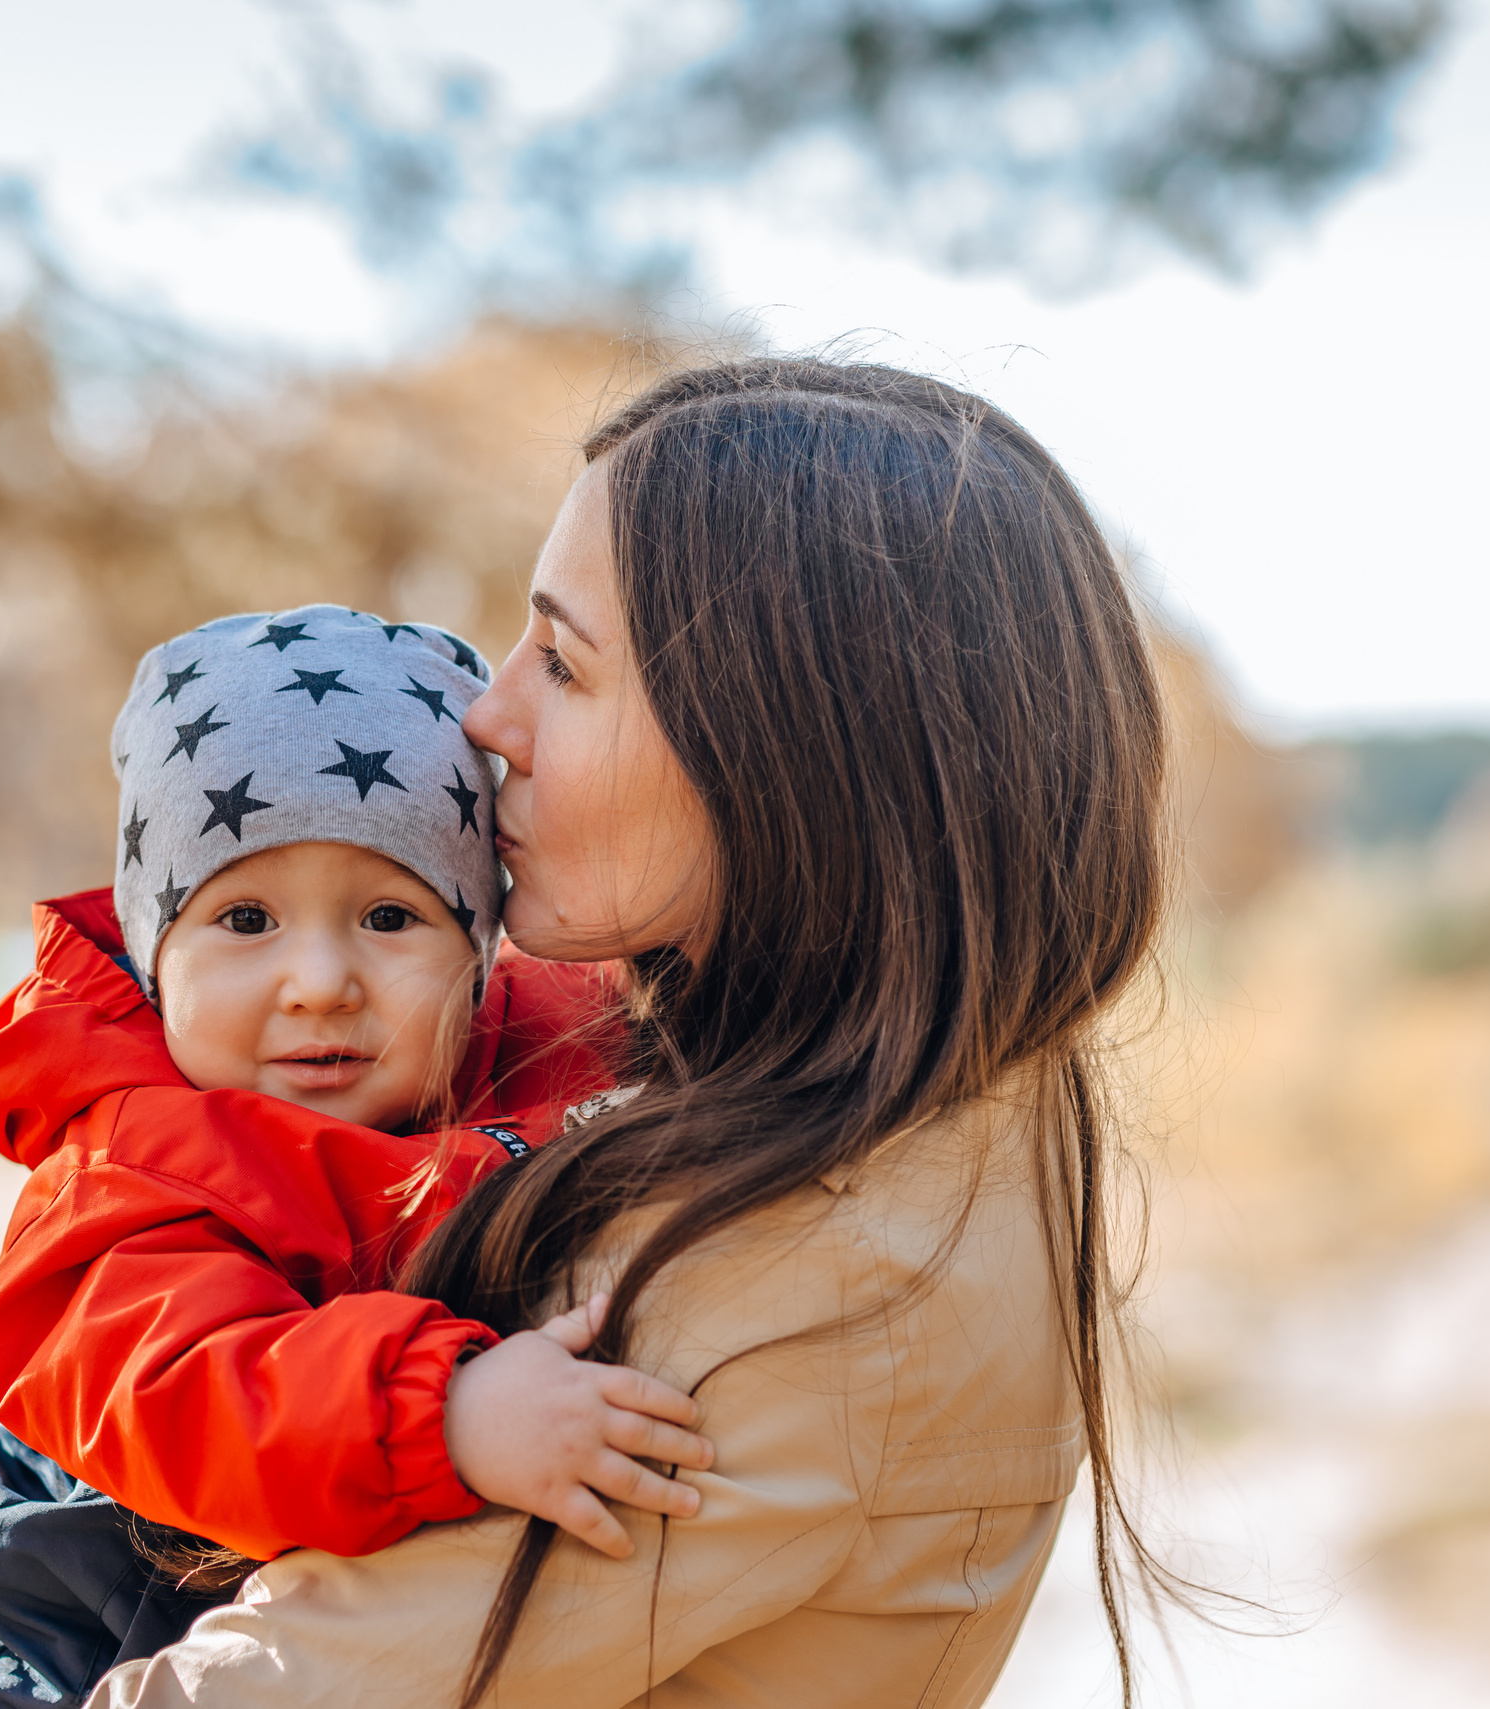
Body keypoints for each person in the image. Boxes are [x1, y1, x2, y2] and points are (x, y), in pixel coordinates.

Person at [72, 356, 1175, 1707]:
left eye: (564, 664)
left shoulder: (800, 1278)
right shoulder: (941, 1107)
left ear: (782, 751)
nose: (492, 716)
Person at [0, 607, 712, 1709]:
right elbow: (189, 1387)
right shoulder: (127, 1164)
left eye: (387, 913)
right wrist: (448, 1410)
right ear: (153, 956)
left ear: (476, 955)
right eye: (243, 919)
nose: (320, 978)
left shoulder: (549, 1058)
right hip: (64, 1637)